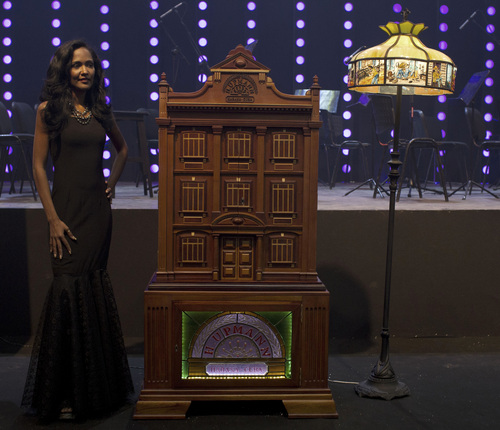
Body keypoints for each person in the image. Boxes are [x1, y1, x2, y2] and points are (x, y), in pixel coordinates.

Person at [21, 39, 133, 423]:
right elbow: (38, 167)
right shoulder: (48, 111)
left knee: (92, 288)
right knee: (67, 290)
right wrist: (52, 219)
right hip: (65, 211)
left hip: (97, 212)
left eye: (89, 65)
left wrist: (111, 184)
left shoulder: (100, 109)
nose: (84, 71)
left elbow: (122, 150)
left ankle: (98, 391)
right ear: (64, 70)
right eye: (76, 65)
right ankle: (66, 391)